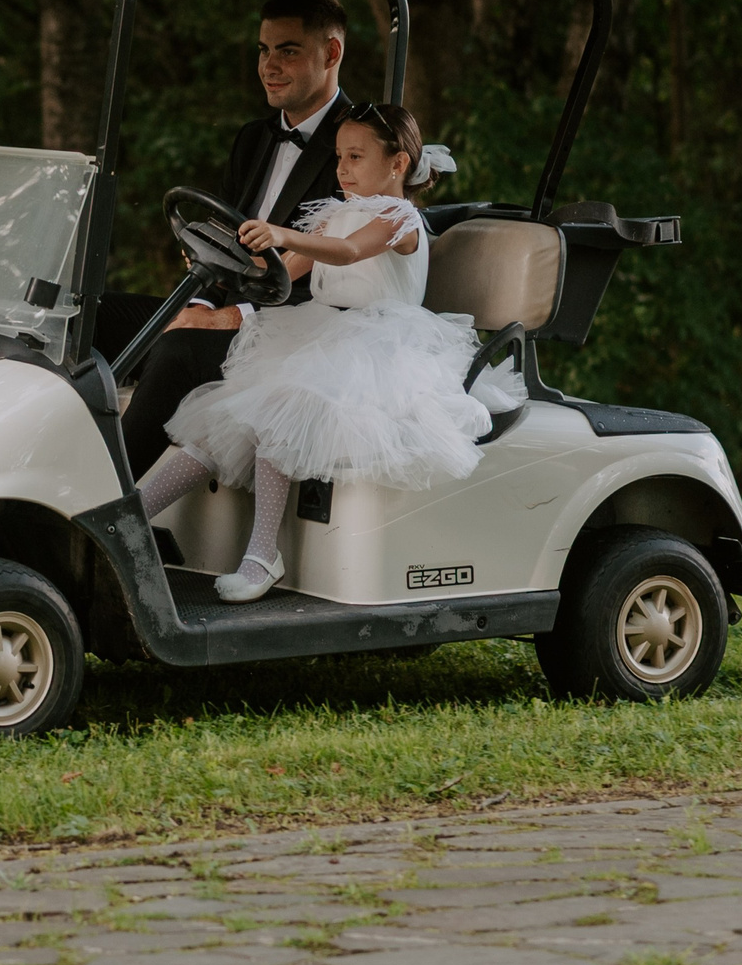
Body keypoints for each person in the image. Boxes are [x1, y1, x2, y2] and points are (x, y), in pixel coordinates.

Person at [131, 103, 523, 603]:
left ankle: (261, 555)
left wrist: (281, 232)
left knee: (278, 408)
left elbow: (350, 252)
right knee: (222, 417)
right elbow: (280, 268)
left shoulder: (398, 217)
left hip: (375, 346)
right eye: (339, 155)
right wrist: (223, 252)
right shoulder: (334, 213)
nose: (341, 168)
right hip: (318, 333)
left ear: (397, 164)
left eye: (355, 156)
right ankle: (131, 516)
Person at [93, 0, 359, 478]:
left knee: (175, 350)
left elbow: (333, 275)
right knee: (91, 315)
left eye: (288, 51)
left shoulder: (359, 147)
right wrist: (196, 308)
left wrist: (232, 316)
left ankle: (102, 504)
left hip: (301, 337)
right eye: (263, 50)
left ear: (332, 53)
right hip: (230, 313)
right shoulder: (254, 139)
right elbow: (219, 242)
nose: (268, 65)